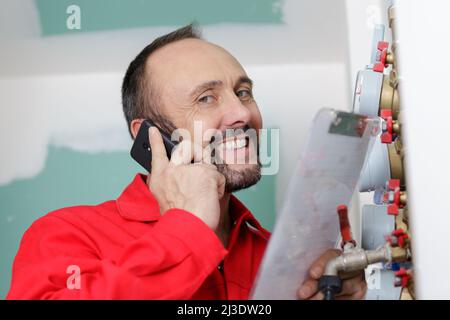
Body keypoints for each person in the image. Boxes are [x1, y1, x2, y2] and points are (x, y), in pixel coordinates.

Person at [7, 24, 366, 300]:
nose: (242, 112)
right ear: (149, 135)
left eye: (243, 92)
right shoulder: (63, 236)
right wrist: (188, 229)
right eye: (206, 98)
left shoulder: (286, 262)